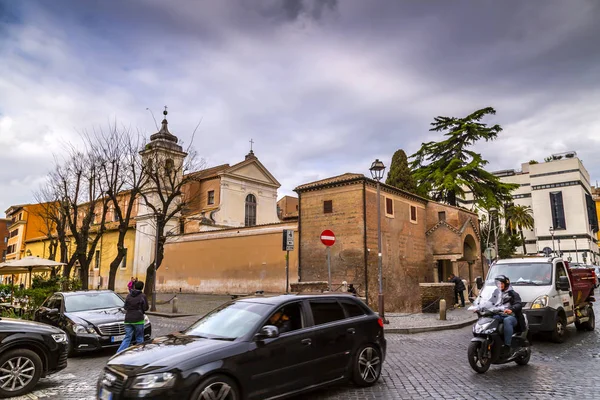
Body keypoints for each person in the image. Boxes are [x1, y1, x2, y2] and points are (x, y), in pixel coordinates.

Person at [493, 275, 524, 354]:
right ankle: (493, 340)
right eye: (498, 283)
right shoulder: (496, 292)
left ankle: (507, 345)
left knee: (507, 321)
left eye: (501, 283)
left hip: (512, 316)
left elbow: (518, 304)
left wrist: (511, 309)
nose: (499, 285)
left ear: (506, 284)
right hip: (500, 314)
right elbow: (490, 302)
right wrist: (479, 307)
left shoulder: (513, 293)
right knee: (492, 318)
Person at [117, 280, 148, 353]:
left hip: (128, 319)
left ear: (134, 286)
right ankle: (140, 353)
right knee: (139, 338)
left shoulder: (128, 295)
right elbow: (146, 307)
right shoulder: (142, 296)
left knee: (127, 338)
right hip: (138, 319)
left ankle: (119, 353)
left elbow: (125, 307)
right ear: (142, 288)